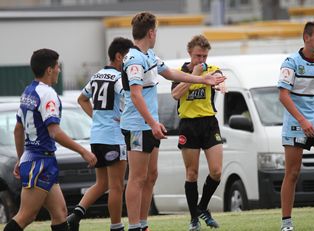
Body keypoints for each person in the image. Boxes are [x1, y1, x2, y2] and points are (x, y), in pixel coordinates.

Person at [121, 12, 225, 231]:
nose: (156, 34)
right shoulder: (134, 59)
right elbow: (135, 95)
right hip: (138, 125)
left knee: (151, 176)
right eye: (156, 31)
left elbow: (171, 74)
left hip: (150, 124)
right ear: (151, 32)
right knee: (137, 178)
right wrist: (152, 122)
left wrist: (202, 79)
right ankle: (133, 227)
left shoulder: (149, 55)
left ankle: (143, 224)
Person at [3, 48, 97, 231]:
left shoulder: (28, 92)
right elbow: (54, 132)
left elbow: (18, 129)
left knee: (60, 213)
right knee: (26, 216)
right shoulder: (47, 94)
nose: (59, 70)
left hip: (37, 159)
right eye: (57, 67)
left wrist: (21, 157)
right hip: (40, 161)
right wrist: (83, 151)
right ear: (49, 70)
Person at [66, 37, 133, 231]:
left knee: (102, 183)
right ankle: (116, 226)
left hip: (96, 137)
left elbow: (81, 99)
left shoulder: (96, 76)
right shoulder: (120, 78)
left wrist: (97, 117)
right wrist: (125, 118)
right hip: (114, 137)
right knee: (117, 186)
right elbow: (129, 101)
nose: (130, 64)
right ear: (119, 56)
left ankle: (75, 215)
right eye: (128, 58)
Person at [277, 21, 314, 231]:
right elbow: (283, 96)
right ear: (306, 38)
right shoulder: (290, 62)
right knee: (292, 173)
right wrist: (302, 120)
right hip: (296, 123)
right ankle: (286, 224)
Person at [170, 35, 223, 231]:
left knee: (216, 171)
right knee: (191, 173)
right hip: (188, 125)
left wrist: (219, 83)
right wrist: (195, 76)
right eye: (198, 55)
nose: (201, 60)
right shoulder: (179, 72)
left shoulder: (212, 68)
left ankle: (202, 207)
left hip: (209, 122)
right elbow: (175, 94)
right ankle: (194, 219)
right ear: (189, 53)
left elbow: (220, 80)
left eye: (204, 56)